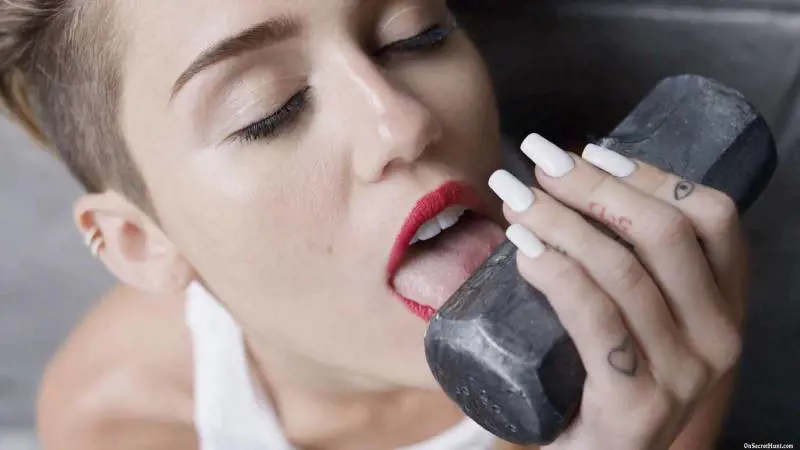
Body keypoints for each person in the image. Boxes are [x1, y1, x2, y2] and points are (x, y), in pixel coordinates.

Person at [0, 1, 745, 448]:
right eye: (268, 111)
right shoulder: (122, 419)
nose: (404, 123)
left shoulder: (645, 266)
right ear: (140, 242)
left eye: (416, 36)